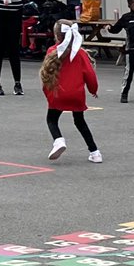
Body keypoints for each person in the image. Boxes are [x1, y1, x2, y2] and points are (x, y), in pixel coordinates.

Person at [40, 20, 101, 163]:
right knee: (80, 122)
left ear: (57, 36)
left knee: (52, 119)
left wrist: (48, 95)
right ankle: (95, 152)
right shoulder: (80, 53)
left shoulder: (52, 51)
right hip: (76, 94)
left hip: (58, 94)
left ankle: (58, 140)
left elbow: (46, 75)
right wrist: (93, 90)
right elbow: (90, 75)